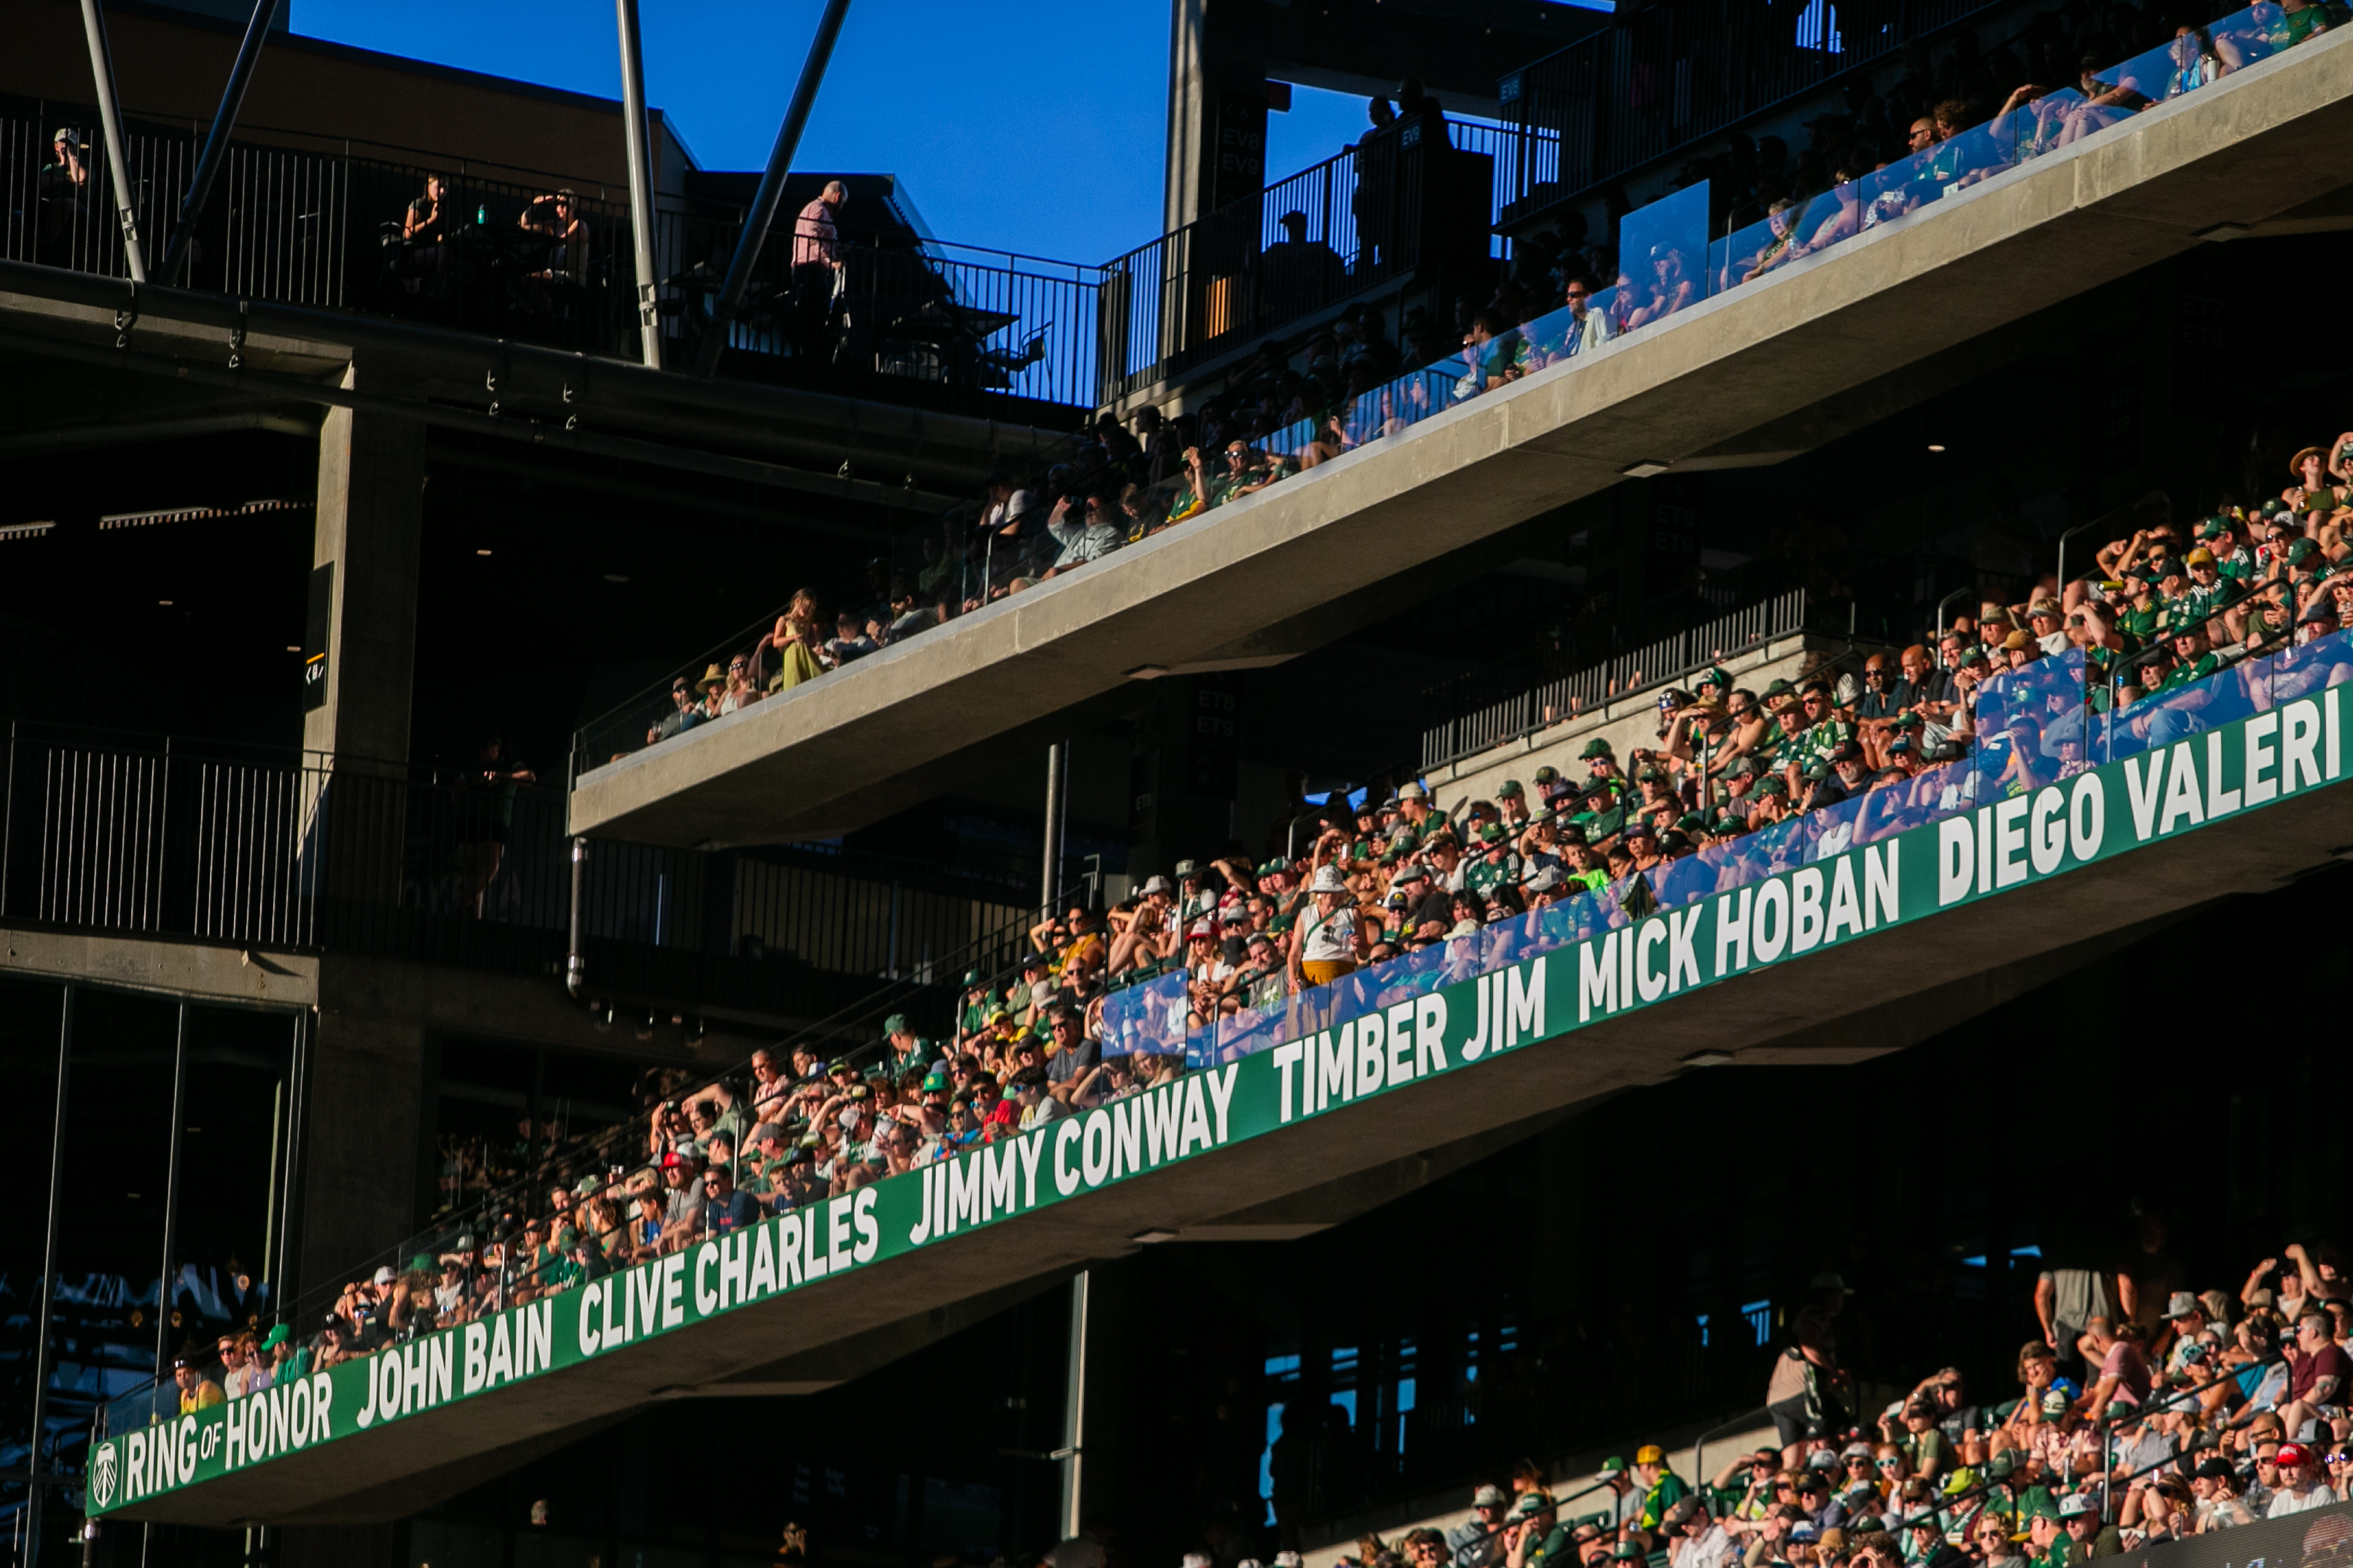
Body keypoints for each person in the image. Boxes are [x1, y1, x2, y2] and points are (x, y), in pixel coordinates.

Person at [454, 737, 536, 919]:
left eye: (485, 746)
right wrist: (458, 790)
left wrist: (501, 777)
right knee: (473, 873)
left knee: (489, 868)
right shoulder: (473, 767)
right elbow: (457, 789)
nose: (481, 752)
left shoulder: (510, 765)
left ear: (497, 747)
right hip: (470, 819)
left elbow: (529, 776)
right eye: (480, 747)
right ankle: (471, 918)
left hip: (495, 821)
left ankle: (457, 906)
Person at [791, 179, 850, 362]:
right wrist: (831, 260)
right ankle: (809, 356)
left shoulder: (819, 211)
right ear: (838, 197)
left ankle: (813, 355)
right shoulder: (817, 209)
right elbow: (812, 238)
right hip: (809, 268)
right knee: (812, 315)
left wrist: (837, 251)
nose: (841, 207)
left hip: (814, 269)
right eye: (843, 202)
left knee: (817, 314)